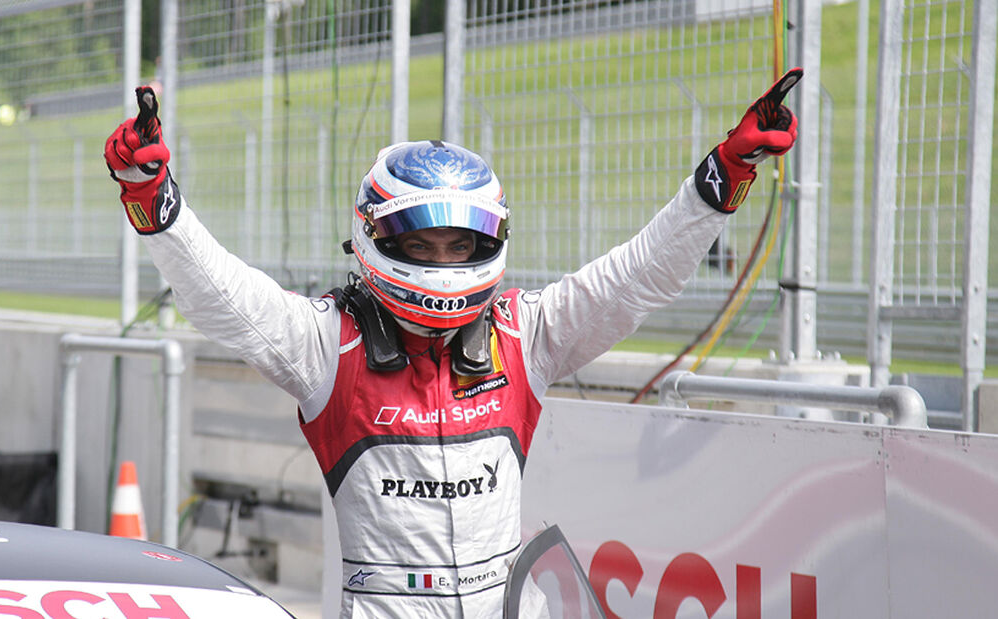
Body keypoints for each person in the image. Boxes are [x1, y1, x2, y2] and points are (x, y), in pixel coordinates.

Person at [105, 69, 801, 618]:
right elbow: (223, 296)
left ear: (487, 241)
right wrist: (154, 198)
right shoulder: (328, 344)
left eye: (458, 243)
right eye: (422, 244)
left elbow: (635, 277)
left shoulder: (524, 333)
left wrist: (719, 181)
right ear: (378, 239)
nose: (442, 262)